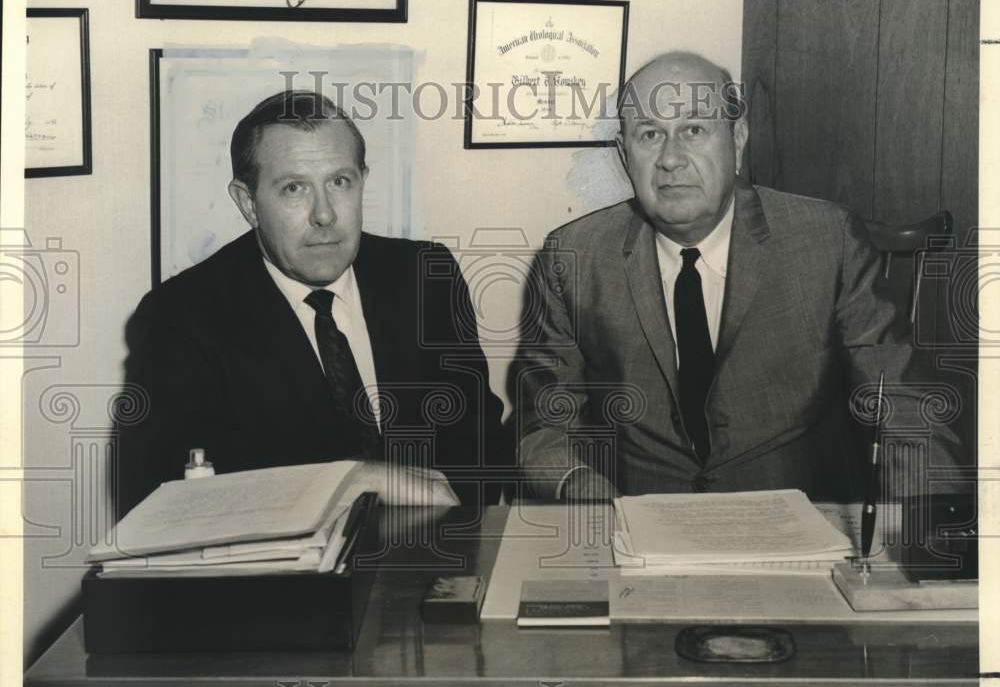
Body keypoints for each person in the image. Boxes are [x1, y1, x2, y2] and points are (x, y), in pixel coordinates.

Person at [514, 51, 965, 502]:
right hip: (633, 528)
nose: (671, 159)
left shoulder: (829, 242)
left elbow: (906, 409)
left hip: (803, 530)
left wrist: (933, 522)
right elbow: (544, 426)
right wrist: (579, 487)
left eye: (694, 130)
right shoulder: (572, 256)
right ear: (623, 154)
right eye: (650, 134)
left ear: (738, 140)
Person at [115, 90, 508, 519]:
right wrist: (347, 482)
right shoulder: (180, 317)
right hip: (278, 581)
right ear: (248, 203)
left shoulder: (425, 276)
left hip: (430, 560)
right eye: (293, 188)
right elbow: (158, 496)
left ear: (362, 181)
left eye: (340, 182)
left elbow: (480, 445)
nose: (325, 214)